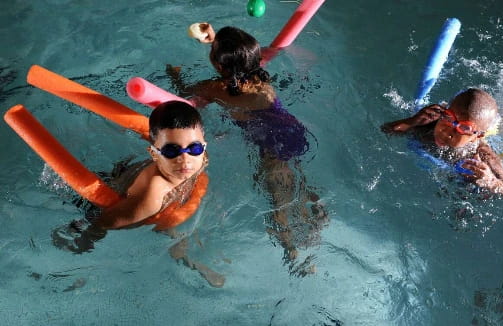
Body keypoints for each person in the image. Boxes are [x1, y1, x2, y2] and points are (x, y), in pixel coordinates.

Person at [167, 24, 327, 276]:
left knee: (278, 204)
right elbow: (241, 57)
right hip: (293, 133)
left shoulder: (216, 89)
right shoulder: (258, 75)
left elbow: (185, 96)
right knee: (295, 181)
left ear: (220, 67)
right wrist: (213, 40)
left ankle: (293, 254)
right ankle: (315, 213)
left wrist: (174, 74)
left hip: (270, 145)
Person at [53, 101, 225, 287]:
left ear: (203, 147)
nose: (185, 159)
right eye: (171, 150)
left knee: (175, 231)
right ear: (154, 153)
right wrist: (83, 244)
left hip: (129, 177)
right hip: (106, 205)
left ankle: (183, 254)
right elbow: (104, 222)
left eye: (194, 148)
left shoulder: (199, 160)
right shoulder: (152, 197)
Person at [381, 88, 503, 197]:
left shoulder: (482, 154)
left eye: (463, 128)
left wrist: (490, 181)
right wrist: (413, 121)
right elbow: (386, 130)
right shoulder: (429, 121)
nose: (447, 132)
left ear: (477, 137)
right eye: (448, 117)